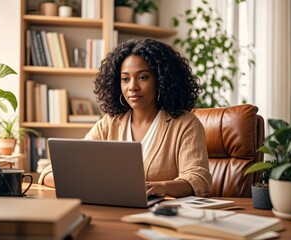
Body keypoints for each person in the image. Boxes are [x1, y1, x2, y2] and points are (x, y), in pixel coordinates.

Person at [39, 38, 212, 198]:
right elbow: (50, 172)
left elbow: (198, 179)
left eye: (143, 77)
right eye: (125, 79)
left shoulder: (186, 124)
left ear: (161, 80)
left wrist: (161, 187)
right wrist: (83, 183)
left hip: (162, 216)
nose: (132, 87)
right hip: (112, 211)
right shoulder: (109, 123)